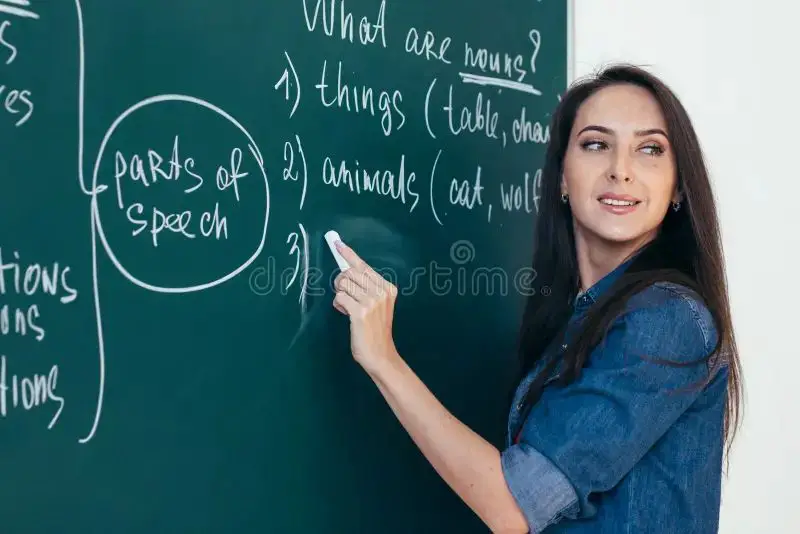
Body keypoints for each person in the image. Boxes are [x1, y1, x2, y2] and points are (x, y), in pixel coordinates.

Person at [329, 63, 743, 533]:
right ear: (563, 177)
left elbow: (515, 507)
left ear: (678, 190)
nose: (620, 171)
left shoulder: (665, 320)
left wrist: (385, 360)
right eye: (596, 144)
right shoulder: (580, 318)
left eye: (649, 149)